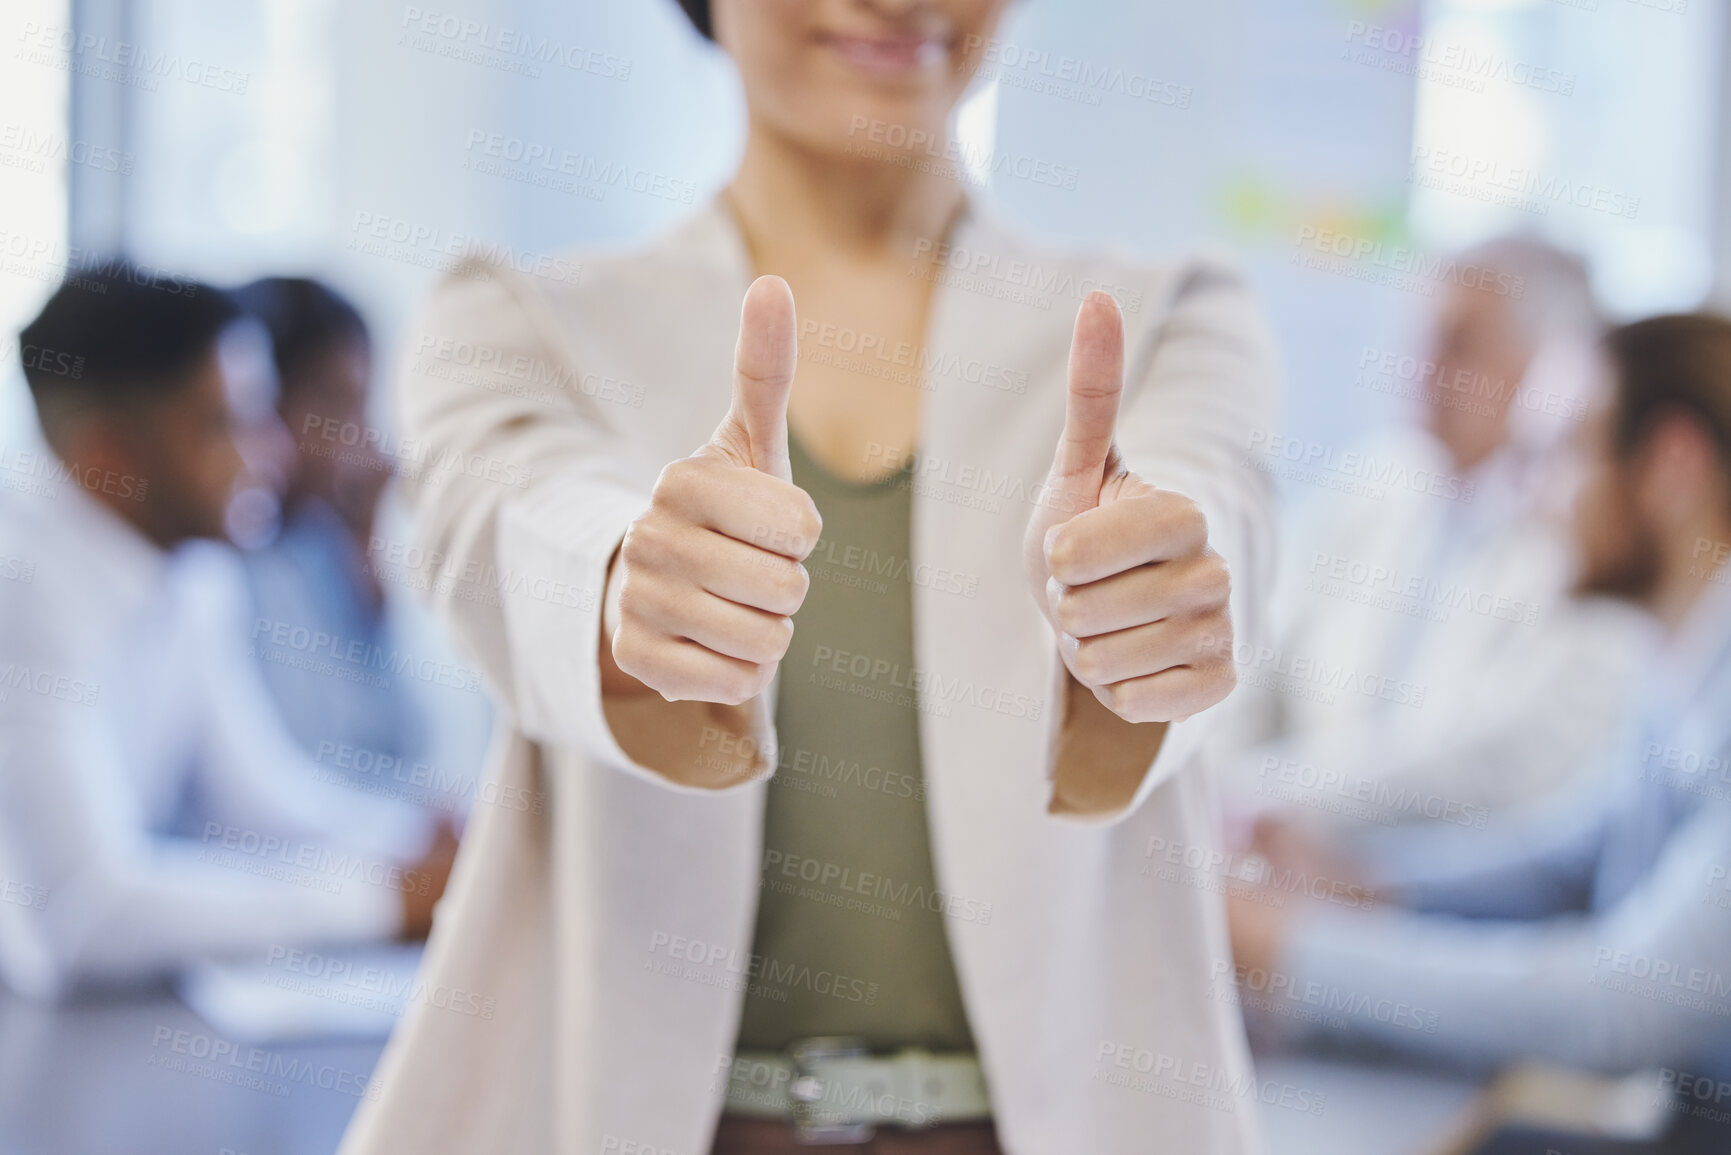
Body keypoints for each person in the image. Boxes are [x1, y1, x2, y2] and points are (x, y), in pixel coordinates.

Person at [340, 1, 1279, 1152]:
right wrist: (631, 581)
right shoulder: (523, 322)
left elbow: (1212, 516)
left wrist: (1151, 603)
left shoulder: (1172, 319)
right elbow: (502, 535)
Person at [1228, 313, 1731, 1152]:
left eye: (1564, 456)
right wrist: (1369, 888)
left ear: (1672, 463)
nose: (1533, 500)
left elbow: (1627, 1002)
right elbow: (1572, 861)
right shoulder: (1678, 661)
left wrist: (1286, 948)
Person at [0, 263, 456, 1001]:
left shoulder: (190, 570)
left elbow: (257, 800)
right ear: (105, 457)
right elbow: (87, 914)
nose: (273, 453)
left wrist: (420, 839)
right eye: (228, 422)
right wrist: (381, 899)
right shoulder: (20, 588)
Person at [1215, 237, 1652, 834]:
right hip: (1269, 845)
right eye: (1421, 337)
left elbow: (1501, 761)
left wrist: (1275, 801)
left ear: (1546, 366)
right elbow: (1253, 662)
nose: (1422, 367)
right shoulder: (1374, 484)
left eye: (1457, 344)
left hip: (1433, 887)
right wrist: (1217, 793)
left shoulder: (1584, 535)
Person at [232, 277, 454, 812]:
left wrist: (365, 548)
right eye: (331, 403)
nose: (356, 435)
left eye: (359, 405)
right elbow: (300, 775)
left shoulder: (324, 547)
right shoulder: (227, 565)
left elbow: (405, 745)